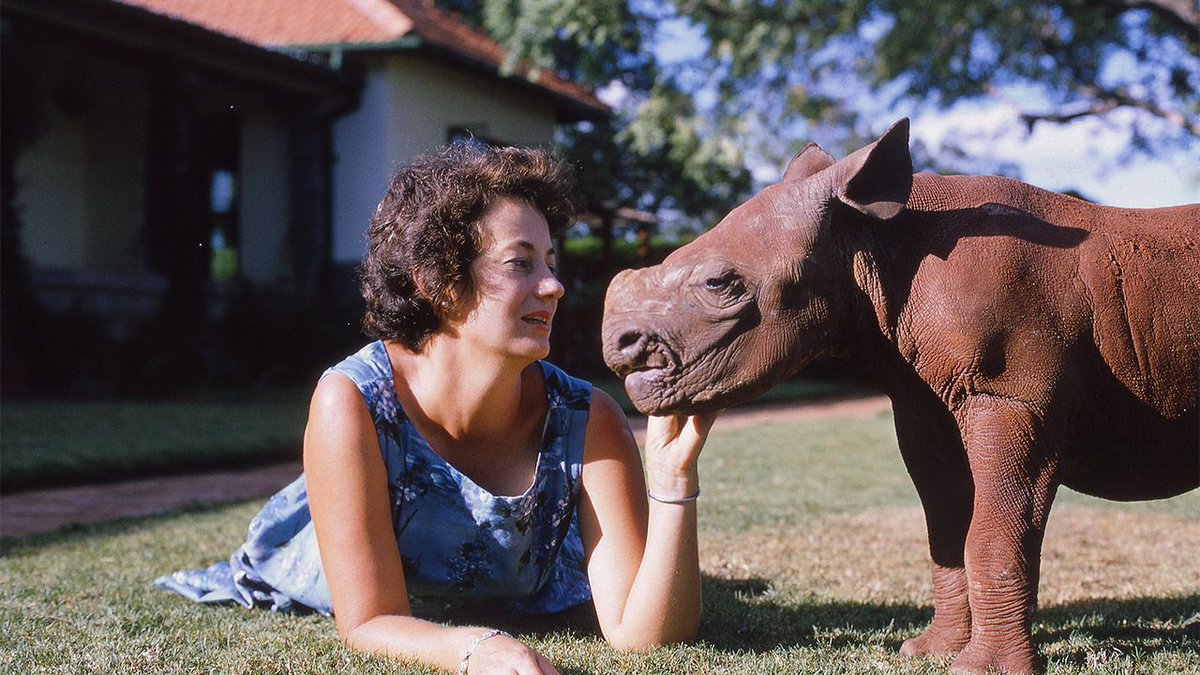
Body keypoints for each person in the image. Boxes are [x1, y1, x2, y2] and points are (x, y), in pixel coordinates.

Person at [156, 143, 720, 674]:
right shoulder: (354, 401)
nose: (554, 286)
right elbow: (370, 619)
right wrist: (476, 646)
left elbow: (645, 637)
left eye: (550, 261)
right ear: (436, 281)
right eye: (520, 263)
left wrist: (672, 478)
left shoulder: (586, 418)